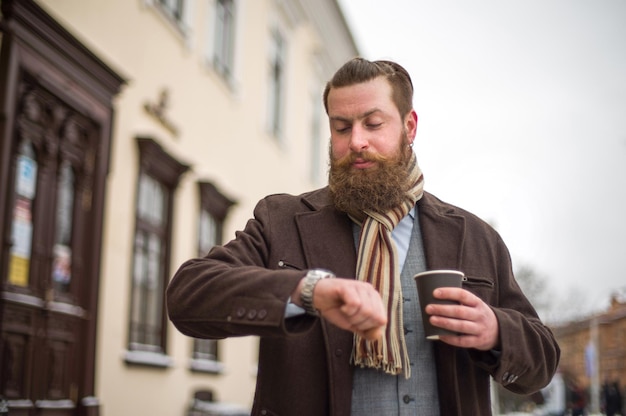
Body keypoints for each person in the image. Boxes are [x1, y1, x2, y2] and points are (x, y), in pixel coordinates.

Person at [167, 57, 560, 416]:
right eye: (342, 127)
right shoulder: (281, 220)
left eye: (373, 124)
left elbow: (541, 364)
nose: (356, 141)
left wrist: (494, 330)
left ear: (409, 127)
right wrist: (308, 292)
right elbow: (188, 295)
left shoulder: (474, 237)